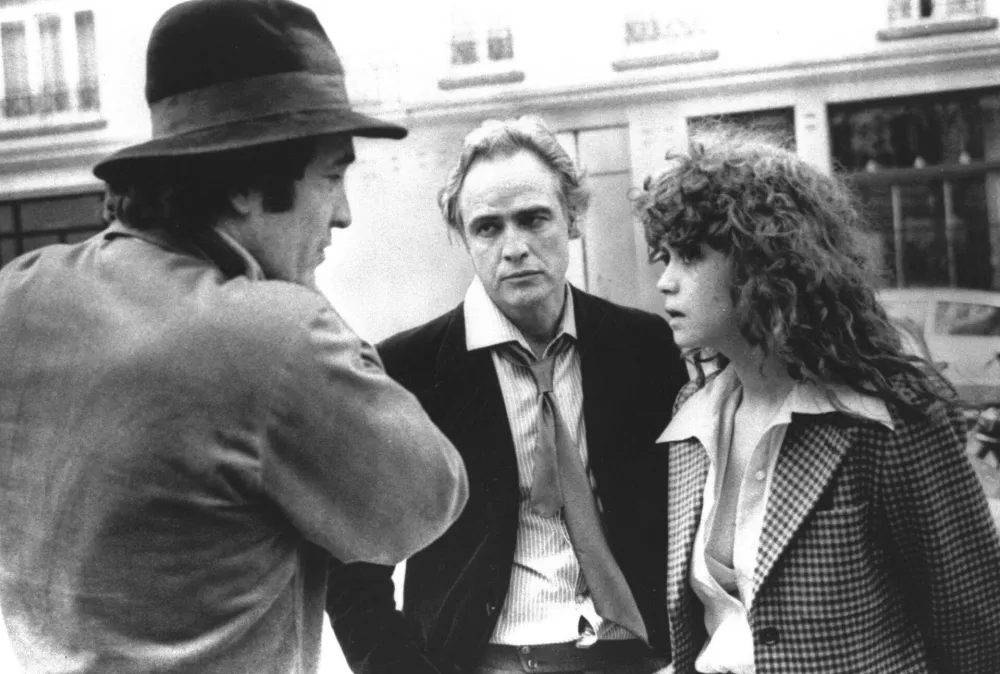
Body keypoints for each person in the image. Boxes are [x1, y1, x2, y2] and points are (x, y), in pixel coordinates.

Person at [0, 1, 468, 672]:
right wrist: (299, 289)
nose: (342, 213)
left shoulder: (17, 293)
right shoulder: (273, 335)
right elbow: (426, 500)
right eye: (332, 176)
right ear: (251, 181)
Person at [327, 116, 688, 674]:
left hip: (630, 657)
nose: (514, 247)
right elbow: (350, 560)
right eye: (488, 228)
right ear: (463, 238)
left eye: (533, 219)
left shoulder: (641, 346)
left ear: (573, 218)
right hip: (483, 661)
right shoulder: (406, 369)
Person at [634, 126, 1000, 674]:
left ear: (763, 262)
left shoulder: (886, 416)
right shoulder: (694, 413)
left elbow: (975, 628)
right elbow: (718, 627)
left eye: (688, 256)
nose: (665, 282)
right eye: (663, 258)